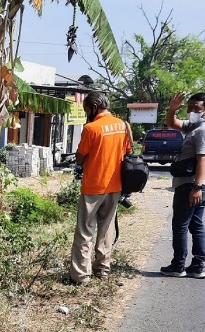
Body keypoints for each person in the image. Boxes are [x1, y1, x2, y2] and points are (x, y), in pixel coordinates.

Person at [70, 91, 132, 284]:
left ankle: (81, 275)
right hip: (115, 187)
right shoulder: (123, 125)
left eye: (86, 108)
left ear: (94, 107)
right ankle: (102, 269)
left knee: (85, 230)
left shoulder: (91, 128)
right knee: (106, 230)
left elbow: (80, 156)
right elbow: (128, 152)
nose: (86, 112)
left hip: (93, 187)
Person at [161, 92, 205, 279]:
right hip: (197, 184)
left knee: (180, 226)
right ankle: (196, 267)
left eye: (197, 109)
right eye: (190, 107)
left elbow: (203, 159)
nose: (192, 111)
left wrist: (197, 187)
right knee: (195, 225)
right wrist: (172, 109)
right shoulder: (195, 126)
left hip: (192, 185)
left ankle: (178, 266)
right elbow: (172, 124)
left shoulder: (203, 131)